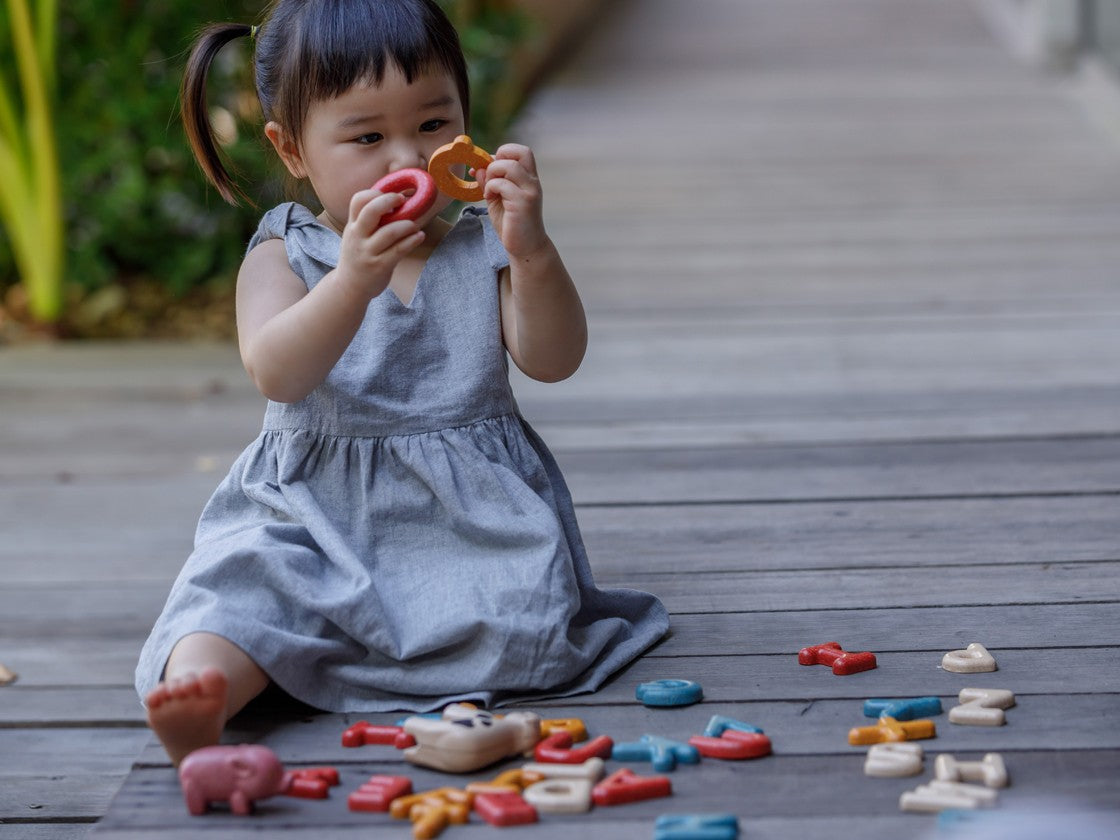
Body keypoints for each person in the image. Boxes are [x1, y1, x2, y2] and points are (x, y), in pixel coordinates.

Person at [136, 0, 669, 765]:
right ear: (291, 150)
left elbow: (553, 357)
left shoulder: (482, 246)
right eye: (366, 137)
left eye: (430, 125)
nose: (407, 162)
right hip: (309, 516)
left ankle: (436, 653)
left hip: (467, 521)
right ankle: (203, 686)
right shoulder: (287, 254)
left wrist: (535, 253)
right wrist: (352, 281)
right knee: (244, 586)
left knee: (522, 609)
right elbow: (277, 368)